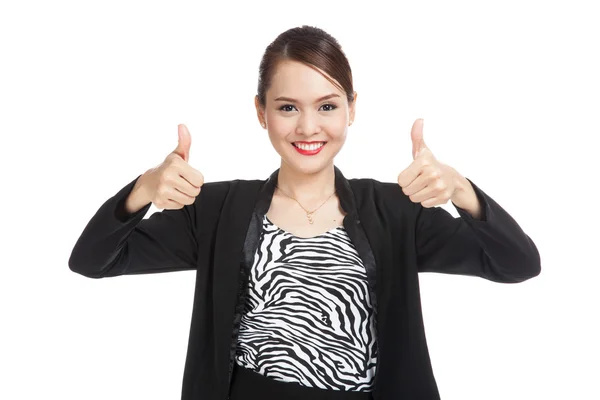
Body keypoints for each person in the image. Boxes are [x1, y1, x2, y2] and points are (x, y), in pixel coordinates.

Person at [68, 25, 541, 400]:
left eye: (328, 105)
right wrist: (143, 190)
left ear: (352, 110)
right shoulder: (217, 209)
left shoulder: (396, 210)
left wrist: (462, 191)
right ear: (261, 112)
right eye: (288, 107)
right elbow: (92, 261)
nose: (308, 126)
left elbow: (517, 264)